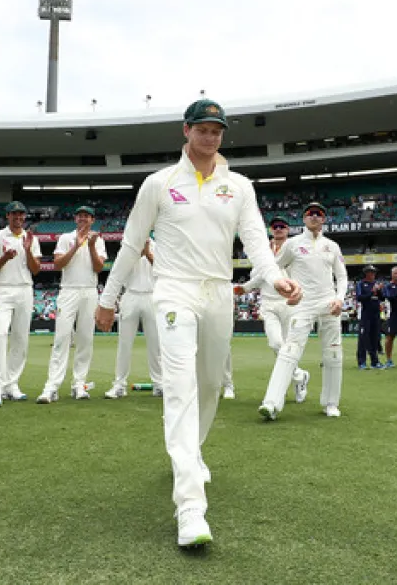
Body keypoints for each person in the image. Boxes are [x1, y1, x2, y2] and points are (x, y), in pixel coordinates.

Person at [94, 99, 301, 549]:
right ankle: (189, 503)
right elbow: (130, 245)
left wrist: (279, 278)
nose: (210, 137)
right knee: (181, 386)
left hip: (218, 291)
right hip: (173, 289)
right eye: (203, 129)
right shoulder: (159, 183)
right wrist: (108, 299)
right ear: (186, 131)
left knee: (209, 385)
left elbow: (256, 244)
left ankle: (192, 452)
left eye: (217, 130)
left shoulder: (239, 186)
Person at [258, 201, 347, 418]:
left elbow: (342, 276)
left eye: (319, 213)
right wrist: (287, 289)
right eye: (310, 213)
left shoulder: (332, 246)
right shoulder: (293, 244)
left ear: (324, 219)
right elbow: (273, 268)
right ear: (304, 218)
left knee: (333, 353)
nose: (314, 216)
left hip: (329, 303)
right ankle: (271, 403)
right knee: (289, 350)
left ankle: (331, 404)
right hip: (303, 304)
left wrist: (339, 298)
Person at [233, 215, 310, 398]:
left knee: (286, 348)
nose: (278, 229)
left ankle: (294, 382)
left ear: (288, 229)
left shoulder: (295, 249)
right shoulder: (263, 251)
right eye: (275, 226)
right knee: (276, 344)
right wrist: (246, 287)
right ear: (271, 229)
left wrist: (246, 287)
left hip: (289, 303)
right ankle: (299, 376)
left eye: (282, 226)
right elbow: (260, 274)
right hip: (268, 303)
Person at [37, 206, 107, 403]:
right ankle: (52, 386)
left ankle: (79, 384)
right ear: (75, 219)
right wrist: (76, 246)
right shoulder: (65, 238)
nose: (83, 219)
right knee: (62, 337)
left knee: (86, 339)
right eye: (80, 216)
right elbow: (57, 264)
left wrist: (91, 246)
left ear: (92, 220)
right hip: (68, 290)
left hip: (89, 291)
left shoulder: (98, 240)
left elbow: (99, 267)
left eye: (86, 216)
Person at [0, 201, 42, 407]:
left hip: (25, 289)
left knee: (20, 339)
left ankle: (12, 385)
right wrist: (5, 258)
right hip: (3, 289)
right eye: (14, 214)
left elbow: (36, 270)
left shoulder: (30, 238)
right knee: (0, 335)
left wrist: (27, 250)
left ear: (24, 217)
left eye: (21, 214)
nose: (18, 217)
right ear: (7, 216)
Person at [103, 240, 162, 399]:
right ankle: (119, 385)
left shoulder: (158, 245)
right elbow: (119, 272)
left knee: (155, 344)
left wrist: (148, 253)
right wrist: (137, 254)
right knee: (124, 343)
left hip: (151, 294)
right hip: (130, 295)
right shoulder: (127, 246)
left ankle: (159, 384)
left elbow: (162, 270)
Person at [355, 264, 385, 369]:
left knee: (374, 338)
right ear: (366, 273)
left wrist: (379, 290)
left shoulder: (376, 284)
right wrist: (372, 292)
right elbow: (359, 297)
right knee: (363, 338)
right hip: (365, 315)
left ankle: (374, 361)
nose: (372, 274)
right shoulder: (361, 284)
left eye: (374, 272)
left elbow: (382, 298)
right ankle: (361, 362)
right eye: (370, 272)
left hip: (376, 315)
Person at [382, 267, 397, 368]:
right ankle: (389, 359)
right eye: (395, 274)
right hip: (393, 315)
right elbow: (391, 297)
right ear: (392, 275)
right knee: (390, 337)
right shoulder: (388, 286)